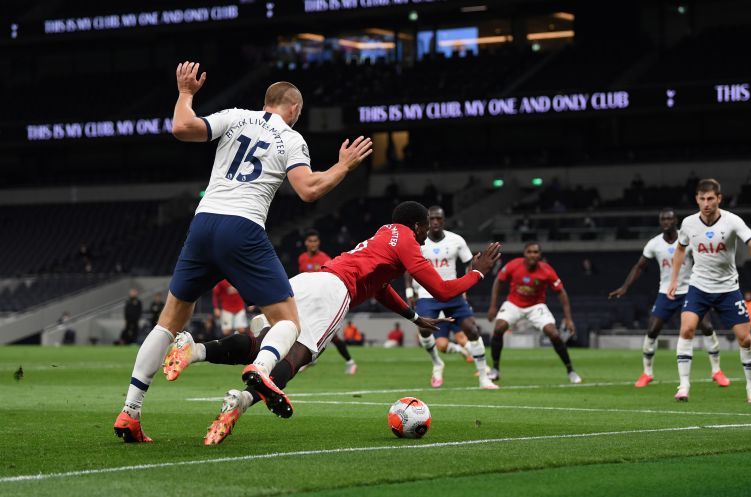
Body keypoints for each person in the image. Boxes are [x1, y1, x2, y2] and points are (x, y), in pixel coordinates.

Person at [113, 61, 373, 443]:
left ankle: (130, 411)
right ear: (294, 109)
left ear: (265, 102)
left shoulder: (235, 117)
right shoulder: (291, 138)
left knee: (168, 322)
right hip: (243, 228)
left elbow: (182, 127)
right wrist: (344, 165)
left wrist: (185, 93)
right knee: (288, 321)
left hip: (203, 224)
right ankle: (261, 369)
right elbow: (308, 189)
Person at [162, 201, 501, 445]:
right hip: (334, 291)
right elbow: (441, 289)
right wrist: (478, 272)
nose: (428, 229)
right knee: (302, 354)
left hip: (309, 282)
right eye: (426, 223)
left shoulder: (385, 235)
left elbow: (380, 288)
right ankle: (253, 387)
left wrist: (413, 317)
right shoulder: (409, 241)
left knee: (264, 340)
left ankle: (201, 356)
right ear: (416, 225)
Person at [667, 178, 751, 403]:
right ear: (697, 200)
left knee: (745, 339)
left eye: (711, 198)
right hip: (698, 287)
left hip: (728, 289)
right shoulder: (689, 223)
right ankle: (684, 385)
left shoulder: (732, 221)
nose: (706, 203)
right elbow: (680, 250)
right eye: (702, 199)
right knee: (687, 329)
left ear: (719, 198)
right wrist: (674, 280)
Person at [609, 207, 729, 388]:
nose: (666, 222)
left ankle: (717, 371)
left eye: (669, 219)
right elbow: (640, 266)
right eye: (663, 219)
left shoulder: (687, 238)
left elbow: (705, 258)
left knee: (707, 326)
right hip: (666, 293)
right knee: (652, 330)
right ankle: (647, 373)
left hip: (691, 291)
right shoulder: (654, 244)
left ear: (675, 221)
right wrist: (625, 287)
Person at [403, 205, 495, 389]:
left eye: (439, 219)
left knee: (472, 330)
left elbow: (469, 263)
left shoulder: (456, 240)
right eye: (432, 219)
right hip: (426, 294)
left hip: (453, 292)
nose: (435, 222)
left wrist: (466, 287)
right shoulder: (418, 241)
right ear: (427, 221)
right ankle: (437, 363)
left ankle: (484, 377)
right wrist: (409, 292)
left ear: (444, 221)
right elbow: (408, 268)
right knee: (424, 331)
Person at [487, 242, 582, 384]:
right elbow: (498, 281)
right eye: (529, 252)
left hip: (536, 306)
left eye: (536, 252)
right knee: (499, 328)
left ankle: (570, 370)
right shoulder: (514, 265)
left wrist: (568, 319)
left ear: (540, 255)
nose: (532, 255)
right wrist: (493, 306)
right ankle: (495, 369)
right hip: (514, 303)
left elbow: (561, 292)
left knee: (554, 334)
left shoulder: (547, 270)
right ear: (524, 253)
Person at [299, 229, 357, 374]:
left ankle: (350, 361)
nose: (313, 244)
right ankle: (311, 358)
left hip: (322, 300)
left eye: (315, 241)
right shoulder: (302, 258)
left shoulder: (324, 258)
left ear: (319, 243)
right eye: (310, 241)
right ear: (306, 243)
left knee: (332, 335)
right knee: (305, 329)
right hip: (309, 299)